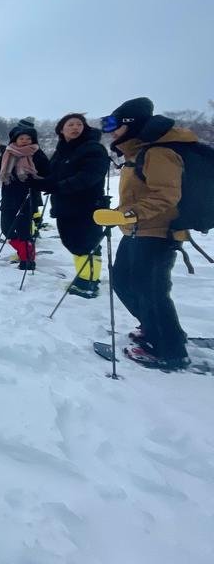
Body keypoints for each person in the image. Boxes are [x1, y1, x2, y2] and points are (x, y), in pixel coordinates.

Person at [95, 97, 194, 369]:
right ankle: (155, 328)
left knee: (151, 291)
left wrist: (127, 215)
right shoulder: (138, 153)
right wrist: (118, 213)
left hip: (159, 232)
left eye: (114, 125)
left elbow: (166, 196)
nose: (110, 131)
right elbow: (138, 195)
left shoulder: (158, 152)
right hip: (137, 230)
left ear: (132, 124)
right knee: (123, 281)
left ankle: (170, 350)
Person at [32, 114, 110, 298]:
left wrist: (57, 186)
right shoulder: (62, 150)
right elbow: (53, 175)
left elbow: (89, 176)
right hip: (64, 205)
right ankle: (84, 277)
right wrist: (38, 182)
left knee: (86, 244)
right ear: (61, 129)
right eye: (70, 124)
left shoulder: (93, 148)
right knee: (73, 243)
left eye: (79, 124)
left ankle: (88, 283)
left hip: (87, 205)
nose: (75, 127)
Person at [0, 119, 50, 270]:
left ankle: (27, 259)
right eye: (21, 138)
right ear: (15, 139)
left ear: (33, 140)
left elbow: (48, 173)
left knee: (25, 232)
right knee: (7, 229)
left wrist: (44, 183)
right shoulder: (6, 155)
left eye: (28, 138)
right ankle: (24, 252)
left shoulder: (37, 154)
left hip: (27, 198)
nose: (25, 141)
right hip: (9, 198)